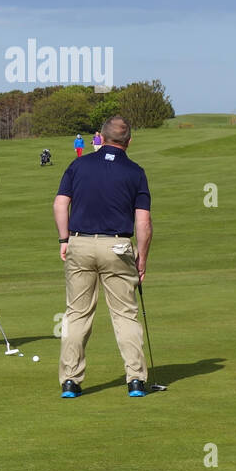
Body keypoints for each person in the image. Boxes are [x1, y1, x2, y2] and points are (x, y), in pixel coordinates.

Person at [52, 115, 152, 398]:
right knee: (124, 316)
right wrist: (141, 258)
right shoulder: (135, 172)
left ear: (101, 139)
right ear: (128, 141)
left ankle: (70, 381)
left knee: (77, 314)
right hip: (118, 247)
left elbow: (60, 204)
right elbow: (143, 222)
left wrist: (64, 239)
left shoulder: (78, 164)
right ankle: (135, 380)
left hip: (80, 243)